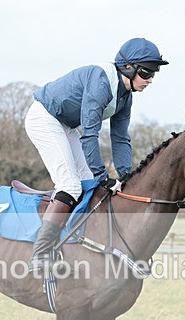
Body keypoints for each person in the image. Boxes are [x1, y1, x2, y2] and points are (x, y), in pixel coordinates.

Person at [24, 37, 168, 271]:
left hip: (67, 125)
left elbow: (120, 138)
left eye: (154, 73)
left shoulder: (125, 96)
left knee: (86, 183)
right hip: (45, 118)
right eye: (147, 72)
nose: (150, 80)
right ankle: (39, 254)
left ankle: (69, 240)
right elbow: (90, 134)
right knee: (70, 186)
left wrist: (126, 176)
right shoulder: (101, 82)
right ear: (128, 67)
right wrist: (102, 175)